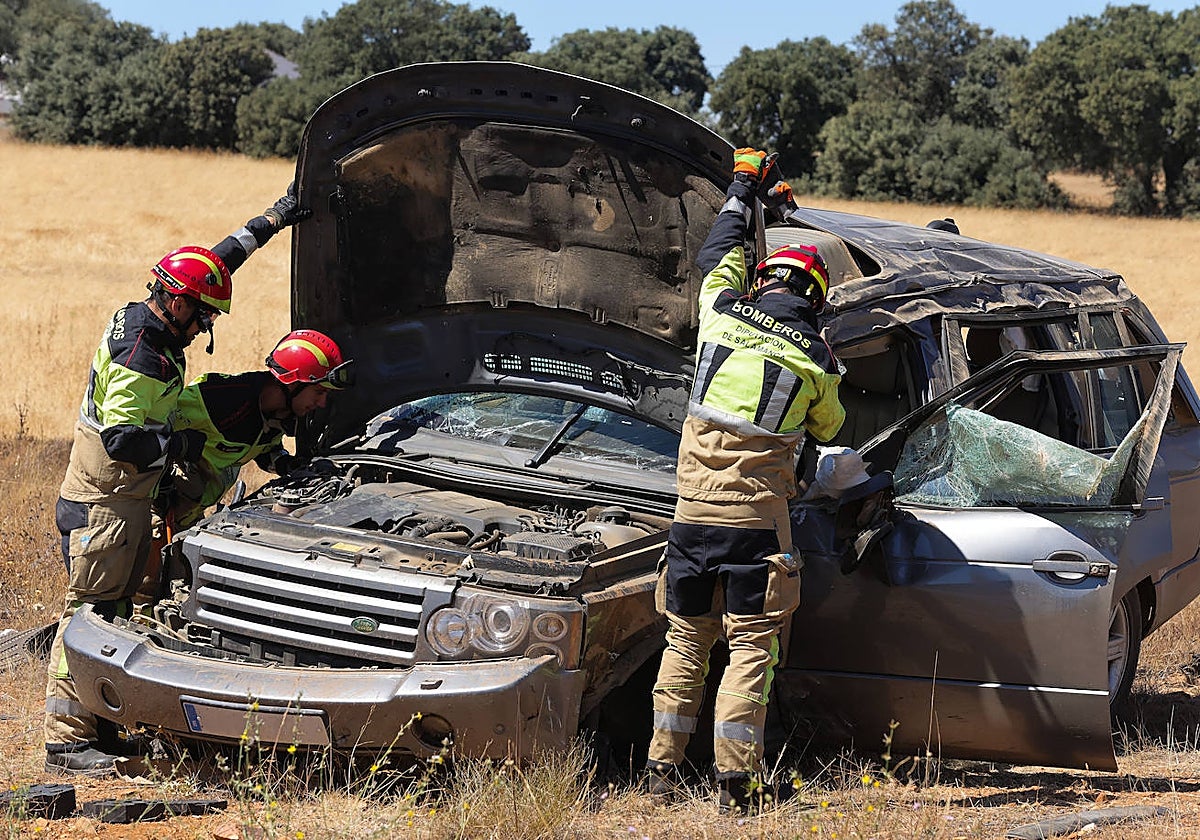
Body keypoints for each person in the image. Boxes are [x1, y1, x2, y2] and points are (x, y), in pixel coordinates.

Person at [45, 190, 308, 776]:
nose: (207, 326)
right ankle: (66, 739)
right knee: (89, 615)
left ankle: (102, 729)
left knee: (117, 612)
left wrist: (274, 219)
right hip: (105, 502)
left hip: (127, 502)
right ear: (178, 303)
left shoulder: (161, 316)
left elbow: (215, 263)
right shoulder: (146, 355)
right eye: (205, 315)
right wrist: (184, 446)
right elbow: (121, 440)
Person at [644, 148, 846, 812]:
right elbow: (829, 429)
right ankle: (737, 785)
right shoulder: (816, 362)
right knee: (750, 654)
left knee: (685, 646)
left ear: (764, 282)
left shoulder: (721, 313)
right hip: (756, 528)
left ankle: (662, 777)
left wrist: (743, 186)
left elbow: (717, 256)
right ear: (813, 299)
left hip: (689, 520)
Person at [162, 329, 354, 532]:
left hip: (188, 516)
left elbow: (264, 450)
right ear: (291, 383)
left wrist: (286, 464)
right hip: (158, 515)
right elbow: (153, 434)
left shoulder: (282, 414)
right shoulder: (214, 400)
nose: (322, 403)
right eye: (319, 391)